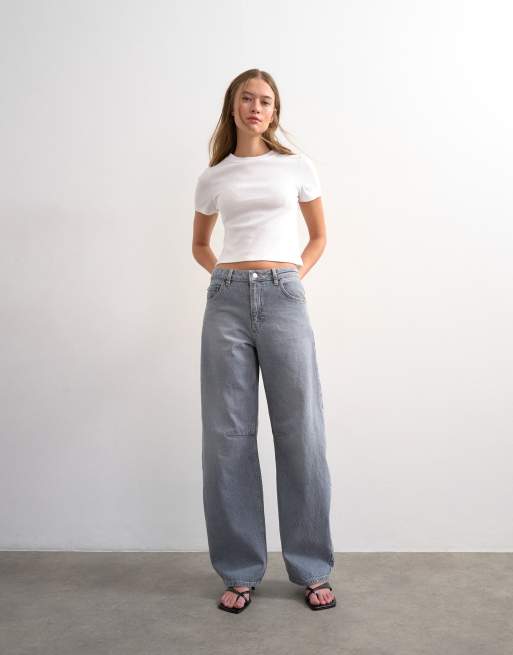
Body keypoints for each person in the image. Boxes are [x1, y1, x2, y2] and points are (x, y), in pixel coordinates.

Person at [192, 68, 336, 613]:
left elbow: (318, 236)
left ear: (275, 112)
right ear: (233, 106)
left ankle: (312, 567)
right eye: (247, 99)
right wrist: (223, 277)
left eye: (266, 101)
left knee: (301, 431)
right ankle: (239, 569)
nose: (256, 107)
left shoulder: (296, 166)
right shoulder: (214, 176)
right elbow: (200, 244)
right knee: (227, 436)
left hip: (283, 295)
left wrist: (292, 275)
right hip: (226, 300)